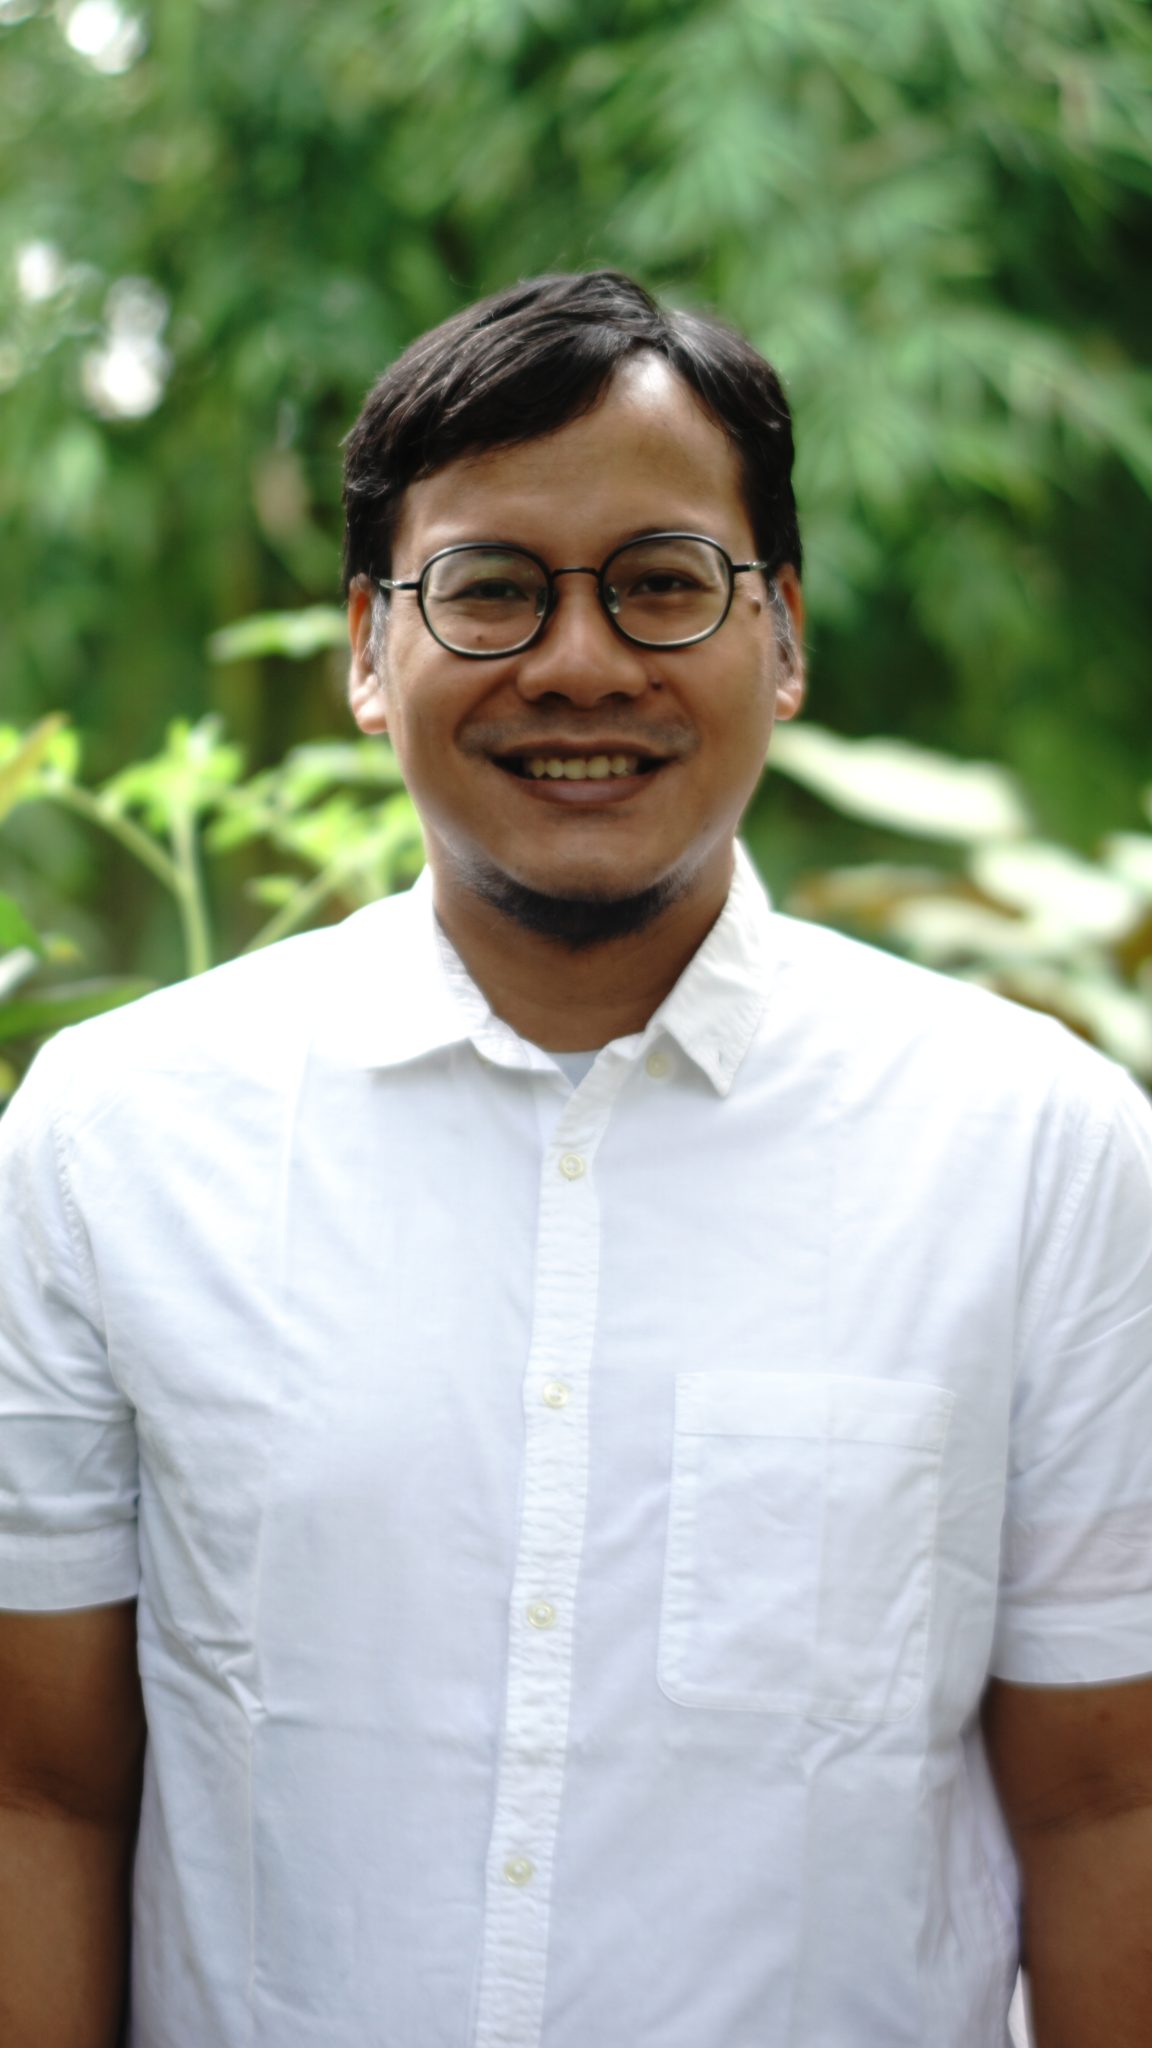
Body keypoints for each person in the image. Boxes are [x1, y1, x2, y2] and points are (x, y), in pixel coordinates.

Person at [1, 270, 1150, 2048]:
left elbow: (1104, 1801)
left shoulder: (1037, 1152)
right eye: (491, 589)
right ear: (368, 650)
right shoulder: (116, 1138)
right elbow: (44, 1787)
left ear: (783, 638)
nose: (582, 662)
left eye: (664, 583)